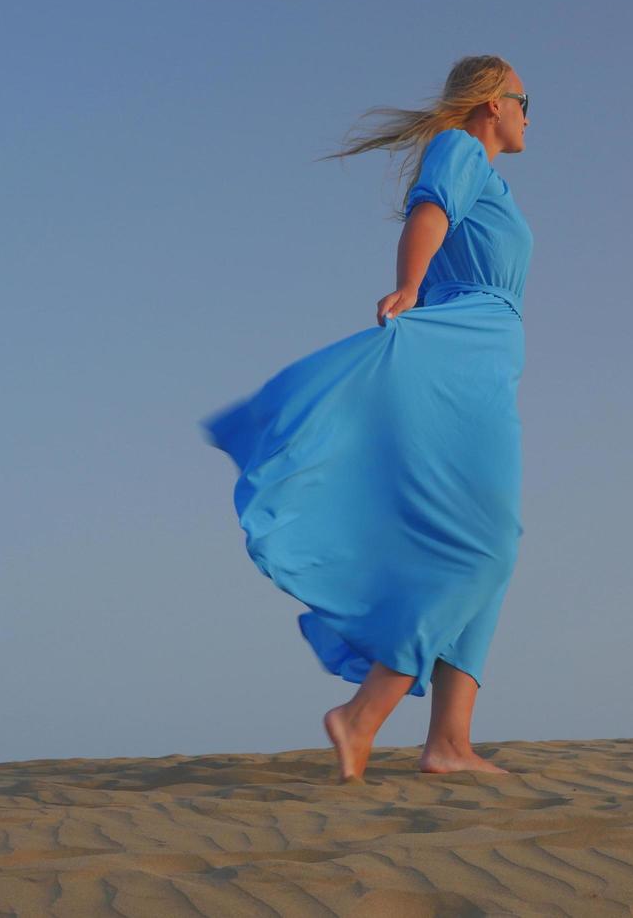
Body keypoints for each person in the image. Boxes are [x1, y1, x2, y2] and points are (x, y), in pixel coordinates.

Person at [198, 55, 533, 783]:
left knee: (491, 544)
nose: (529, 114)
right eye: (524, 99)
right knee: (484, 549)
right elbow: (430, 211)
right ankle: (365, 715)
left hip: (483, 368)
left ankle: (449, 741)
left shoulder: (493, 177)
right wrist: (408, 285)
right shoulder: (460, 149)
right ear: (491, 104)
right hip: (453, 359)